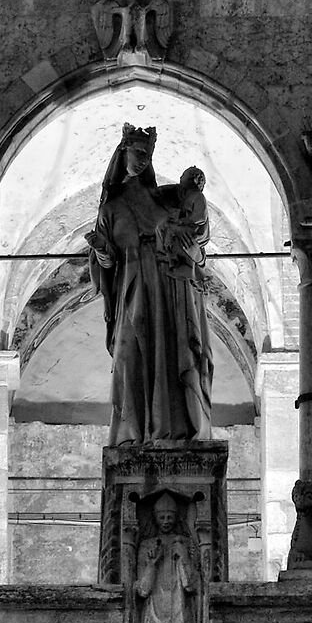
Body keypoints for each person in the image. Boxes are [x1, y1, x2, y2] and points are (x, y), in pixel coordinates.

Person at [88, 125, 214, 442]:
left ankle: (172, 429)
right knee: (129, 357)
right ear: (123, 153)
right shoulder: (110, 209)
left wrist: (191, 243)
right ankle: (132, 434)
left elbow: (195, 235)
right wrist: (101, 249)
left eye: (147, 155)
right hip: (131, 289)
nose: (142, 160)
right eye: (137, 153)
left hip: (168, 287)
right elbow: (107, 265)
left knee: (173, 357)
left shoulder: (166, 200)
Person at [134, 494, 199, 623]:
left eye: (169, 517)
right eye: (161, 517)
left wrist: (183, 556)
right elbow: (142, 589)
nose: (165, 522)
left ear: (177, 517)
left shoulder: (186, 543)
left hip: (179, 604)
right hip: (154, 607)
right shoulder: (146, 545)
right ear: (154, 517)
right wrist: (152, 564)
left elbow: (190, 585)